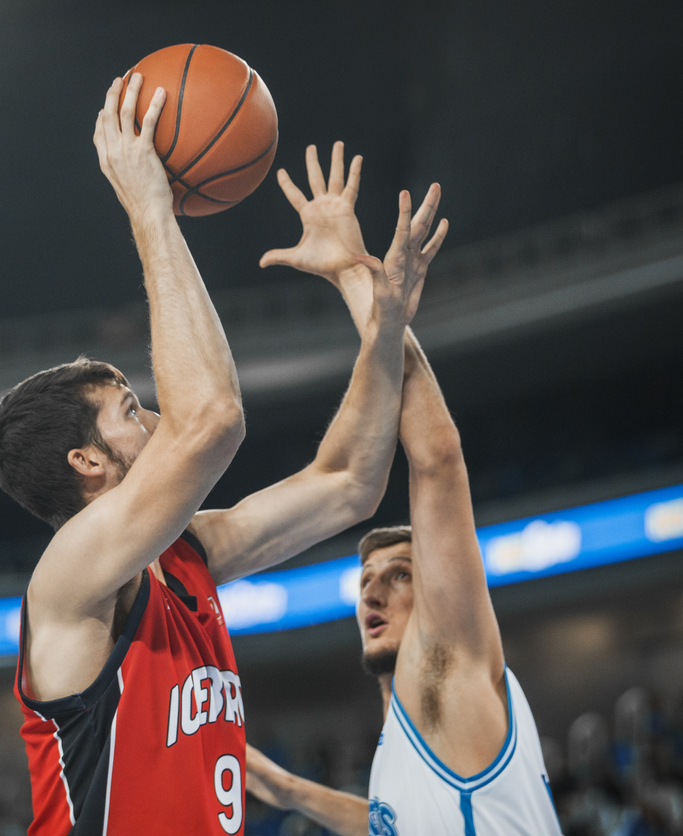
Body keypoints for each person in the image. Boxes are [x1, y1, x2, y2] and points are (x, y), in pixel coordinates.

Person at [0, 72, 445, 836]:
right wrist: (149, 205)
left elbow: (349, 482)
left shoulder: (185, 555)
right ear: (86, 462)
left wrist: (372, 305)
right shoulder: (70, 578)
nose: (157, 416)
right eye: (131, 410)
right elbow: (212, 421)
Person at [244, 151, 564, 836]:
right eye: (365, 579)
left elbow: (438, 457)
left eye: (397, 576)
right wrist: (288, 788)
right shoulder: (421, 726)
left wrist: (359, 283)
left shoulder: (447, 661)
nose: (371, 593)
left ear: (445, 588)